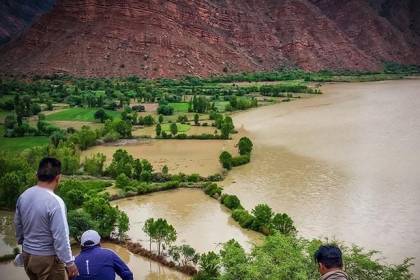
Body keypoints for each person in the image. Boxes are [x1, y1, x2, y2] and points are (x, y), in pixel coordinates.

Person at [14, 157, 79, 280]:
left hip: (27, 256)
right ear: (58, 177)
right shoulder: (55, 202)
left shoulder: (24, 196)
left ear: (36, 175)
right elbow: (61, 237)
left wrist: (25, 245)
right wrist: (70, 263)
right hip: (47, 259)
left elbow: (18, 225)